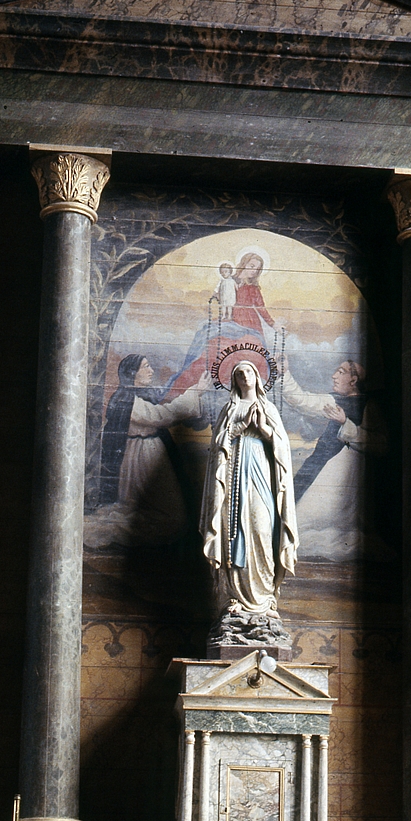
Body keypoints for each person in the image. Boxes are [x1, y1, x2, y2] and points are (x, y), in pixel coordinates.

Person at [200, 360, 298, 634]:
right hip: (234, 481)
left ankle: (265, 599)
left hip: (262, 477)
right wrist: (239, 426)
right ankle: (236, 599)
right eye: (239, 373)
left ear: (257, 377)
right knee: (234, 532)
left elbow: (282, 449)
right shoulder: (229, 409)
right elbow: (219, 444)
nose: (244, 376)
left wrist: (265, 431)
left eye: (249, 372)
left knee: (262, 528)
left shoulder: (269, 408)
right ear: (234, 381)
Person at [279, 357, 390, 561]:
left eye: (340, 372)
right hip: (318, 464)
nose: (334, 376)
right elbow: (302, 400)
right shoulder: (333, 400)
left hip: (344, 476)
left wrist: (345, 423)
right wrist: (284, 373)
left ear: (353, 380)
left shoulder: (369, 406)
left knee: (322, 527)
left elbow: (381, 445)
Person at [93, 354, 209, 545]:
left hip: (149, 452)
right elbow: (161, 416)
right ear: (132, 373)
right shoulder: (127, 400)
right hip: (142, 457)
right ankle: (114, 529)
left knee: (166, 513)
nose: (151, 371)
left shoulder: (136, 396)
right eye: (145, 367)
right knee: (168, 517)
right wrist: (195, 391)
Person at [231, 253, 275, 335]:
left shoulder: (254, 288)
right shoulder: (229, 281)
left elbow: (261, 308)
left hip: (250, 321)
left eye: (257, 269)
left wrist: (273, 324)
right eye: (252, 266)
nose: (254, 271)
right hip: (231, 318)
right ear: (244, 264)